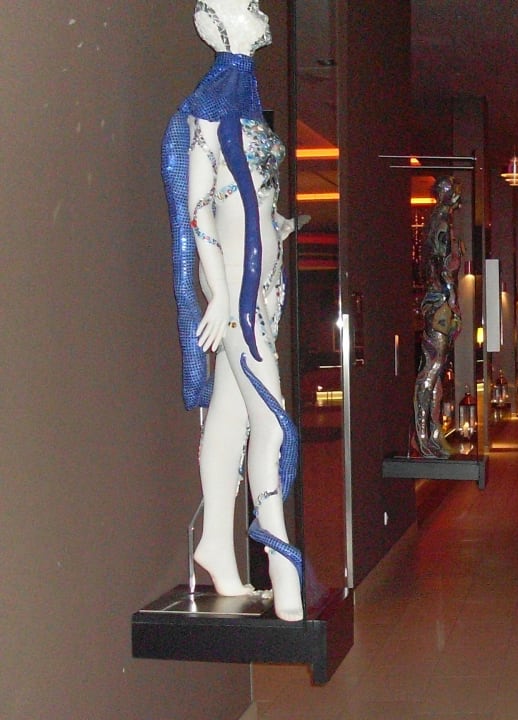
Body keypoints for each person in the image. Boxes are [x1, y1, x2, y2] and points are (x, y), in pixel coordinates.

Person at [162, 0, 303, 621]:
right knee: (270, 419)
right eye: (248, 5)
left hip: (262, 284)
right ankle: (280, 560)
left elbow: (254, 200)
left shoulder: (241, 101)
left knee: (231, 413)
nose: (262, 12)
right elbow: (199, 210)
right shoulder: (207, 107)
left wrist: (279, 229)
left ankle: (218, 542)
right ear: (218, 22)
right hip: (239, 295)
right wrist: (218, 293)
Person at [414, 176, 464, 457]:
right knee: (431, 371)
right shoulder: (442, 223)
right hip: (440, 304)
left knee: (435, 371)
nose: (458, 196)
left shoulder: (436, 221)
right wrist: (452, 303)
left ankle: (432, 434)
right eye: (454, 191)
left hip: (437, 302)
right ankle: (424, 437)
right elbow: (443, 269)